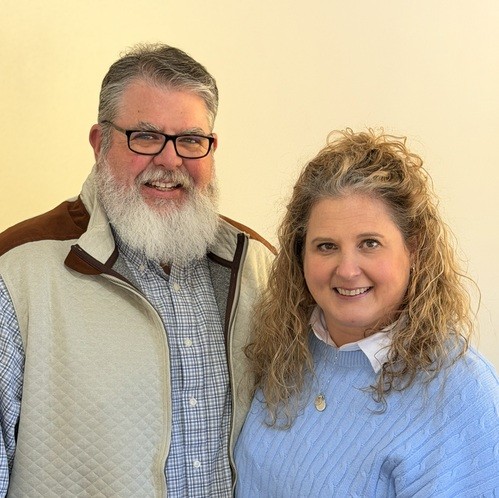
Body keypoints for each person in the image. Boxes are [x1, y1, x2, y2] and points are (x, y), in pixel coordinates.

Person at [0, 43, 274, 497]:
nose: (170, 160)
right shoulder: (17, 270)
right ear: (99, 143)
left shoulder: (258, 266)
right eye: (145, 137)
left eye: (190, 140)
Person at [234, 129, 499, 497]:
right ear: (300, 255)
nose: (347, 270)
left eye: (369, 243)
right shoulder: (285, 348)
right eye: (326, 246)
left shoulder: (459, 393)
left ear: (414, 249)